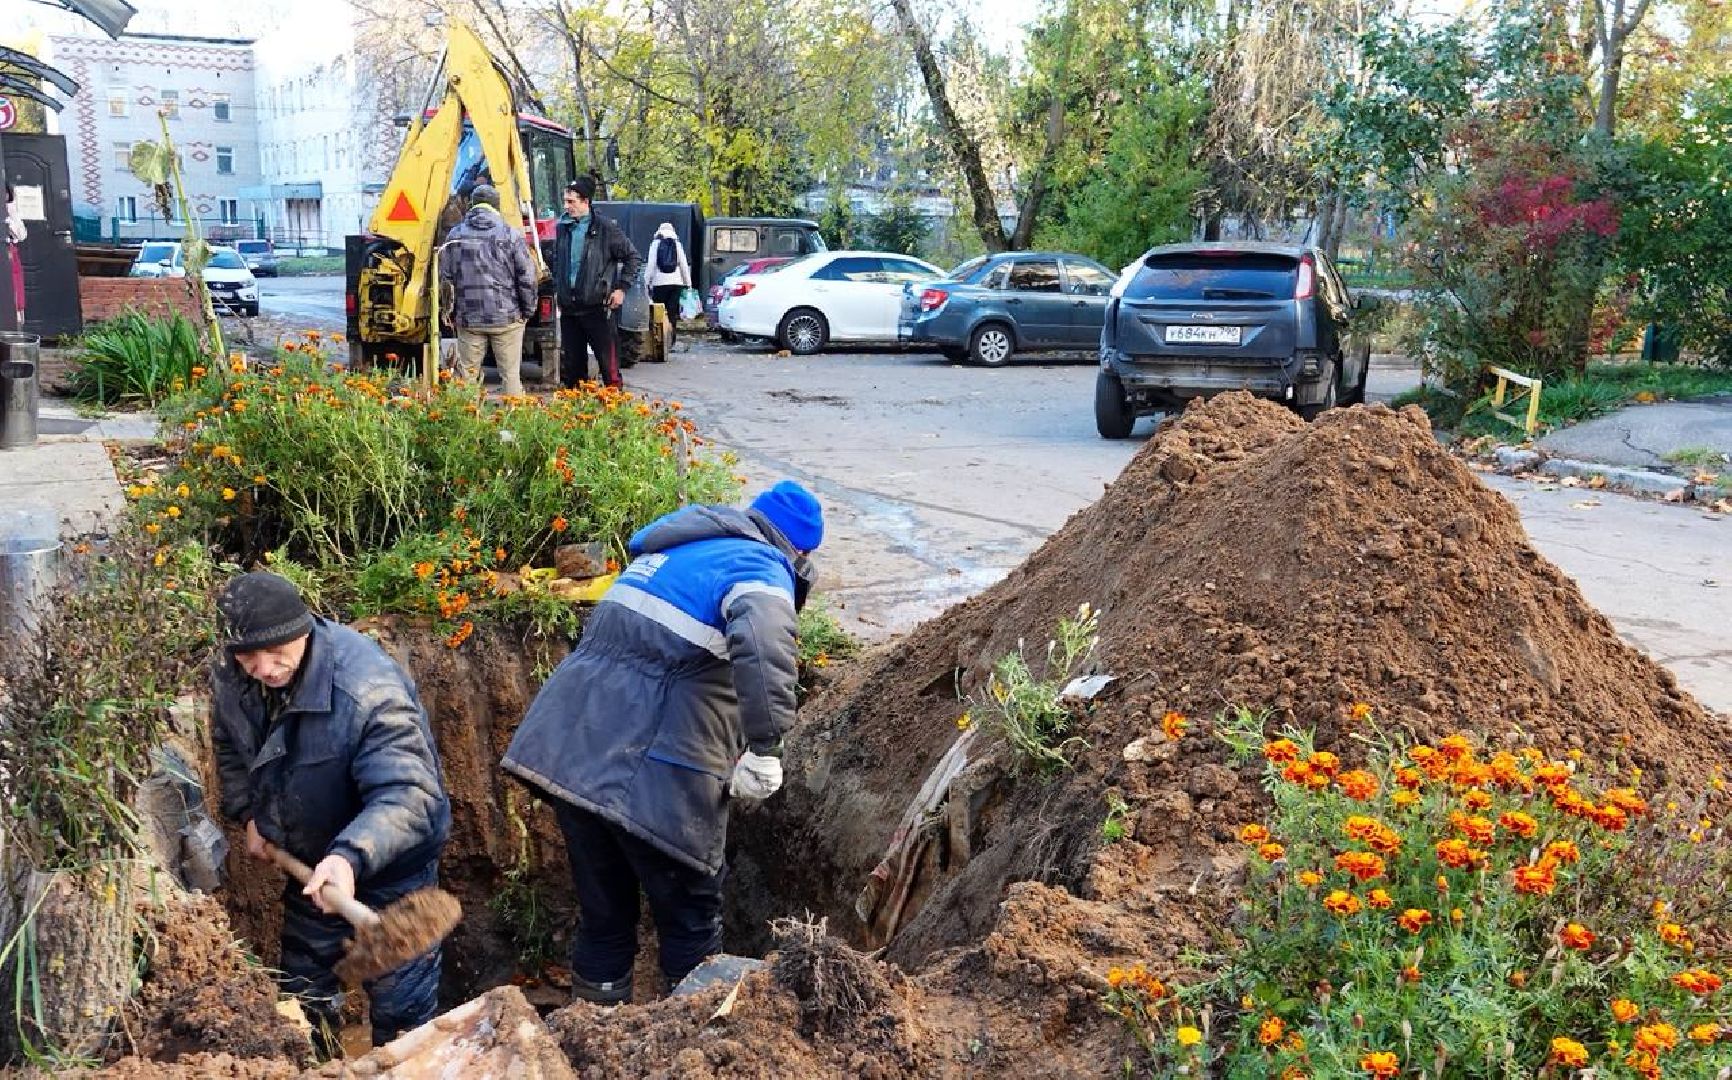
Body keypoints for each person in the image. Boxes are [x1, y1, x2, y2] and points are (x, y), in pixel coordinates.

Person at [501, 481, 824, 1004]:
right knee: (691, 922)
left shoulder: (676, 551)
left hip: (572, 748)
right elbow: (764, 651)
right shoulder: (759, 567)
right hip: (655, 770)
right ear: (800, 550)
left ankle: (596, 1031)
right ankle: (692, 1038)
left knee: (605, 916)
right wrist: (764, 748)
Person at [209, 571, 452, 1055]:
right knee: (302, 999)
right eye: (248, 656)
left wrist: (348, 858)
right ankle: (316, 1065)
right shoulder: (233, 674)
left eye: (276, 651)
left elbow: (409, 794)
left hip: (388, 874)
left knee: (403, 1019)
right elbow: (229, 744)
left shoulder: (366, 691)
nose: (264, 667)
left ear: (303, 630)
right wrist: (250, 813)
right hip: (310, 868)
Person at [438, 183, 538, 396]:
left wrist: (447, 311)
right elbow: (527, 277)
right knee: (510, 376)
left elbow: (445, 278)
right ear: (496, 206)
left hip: (469, 318)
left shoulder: (455, 235)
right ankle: (515, 423)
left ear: (472, 205)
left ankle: (466, 424)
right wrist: (528, 310)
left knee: (467, 377)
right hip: (507, 318)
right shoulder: (510, 234)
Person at [552, 175, 641, 389]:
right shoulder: (563, 228)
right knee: (573, 371)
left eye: (571, 201)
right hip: (570, 309)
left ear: (585, 201)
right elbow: (559, 262)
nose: (567, 206)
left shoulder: (605, 228)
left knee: (608, 369)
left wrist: (621, 288)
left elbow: (633, 257)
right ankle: (576, 416)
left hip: (598, 309)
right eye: (565, 201)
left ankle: (616, 414)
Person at [645, 222, 691, 352]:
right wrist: (688, 284)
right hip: (676, 284)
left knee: (657, 314)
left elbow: (651, 265)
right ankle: (671, 341)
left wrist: (646, 282)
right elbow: (683, 265)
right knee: (672, 313)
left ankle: (659, 340)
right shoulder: (677, 244)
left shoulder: (655, 244)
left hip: (659, 284)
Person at [5, 184, 24, 325]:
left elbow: (21, 235)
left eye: (6, 193)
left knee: (13, 286)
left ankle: (15, 322)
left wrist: (10, 220)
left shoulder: (11, 210)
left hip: (10, 253)